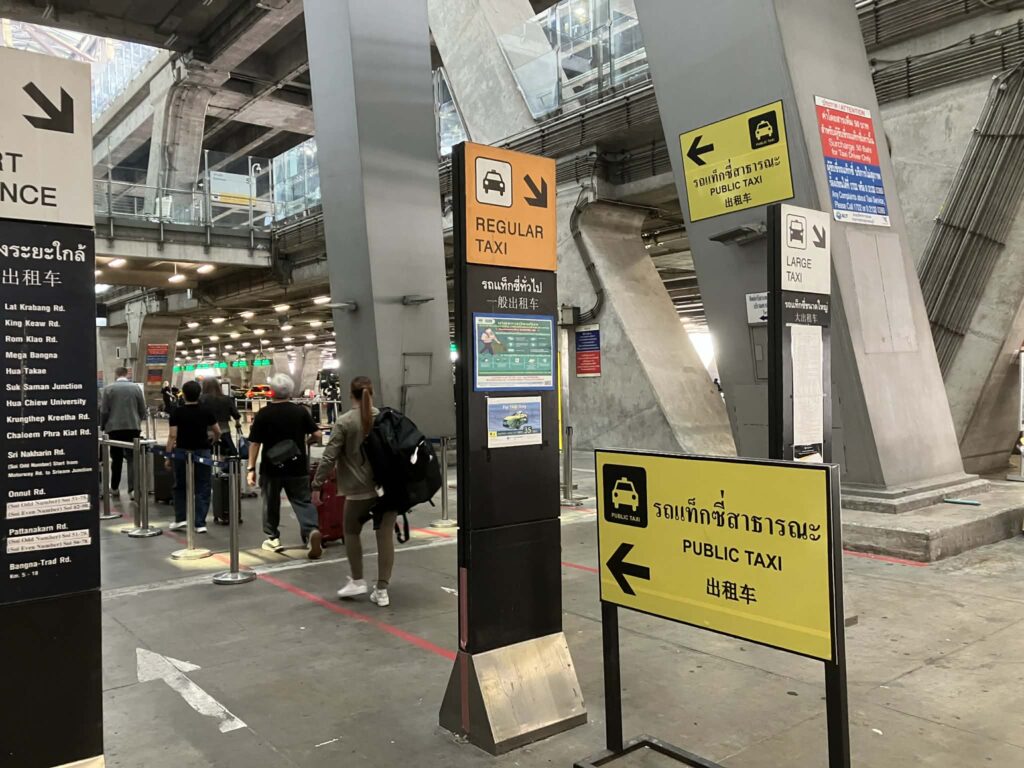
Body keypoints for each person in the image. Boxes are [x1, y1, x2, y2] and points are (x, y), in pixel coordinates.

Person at [312, 376, 395, 608]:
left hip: (358, 491)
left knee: (350, 531)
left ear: (350, 394)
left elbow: (329, 457)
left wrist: (317, 485)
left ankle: (358, 580)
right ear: (372, 393)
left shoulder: (345, 422)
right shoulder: (386, 418)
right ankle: (382, 590)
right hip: (388, 490)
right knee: (384, 536)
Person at [246, 373, 323, 559]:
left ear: (271, 392)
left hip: (272, 468)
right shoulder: (300, 412)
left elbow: (255, 444)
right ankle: (311, 531)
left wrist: (251, 469)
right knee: (302, 500)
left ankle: (273, 538)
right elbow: (318, 435)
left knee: (270, 502)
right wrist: (308, 442)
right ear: (290, 392)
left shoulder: (264, 414)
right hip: (297, 466)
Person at [165, 381, 219, 533]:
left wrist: (168, 456)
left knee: (180, 485)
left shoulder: (177, 412)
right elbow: (217, 431)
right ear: (199, 394)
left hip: (182, 451)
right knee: (203, 486)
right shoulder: (206, 411)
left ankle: (180, 518)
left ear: (183, 394)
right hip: (202, 451)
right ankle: (200, 523)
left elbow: (172, 436)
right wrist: (212, 440)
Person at [100, 367, 148, 499]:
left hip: (114, 428)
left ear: (116, 374)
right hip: (133, 428)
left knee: (116, 458)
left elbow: (104, 411)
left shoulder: (108, 389)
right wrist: (137, 420)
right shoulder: (136, 388)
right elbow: (142, 409)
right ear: (127, 374)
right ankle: (133, 490)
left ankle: (115, 488)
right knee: (132, 458)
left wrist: (103, 425)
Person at [200, 377, 242, 456]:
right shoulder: (226, 399)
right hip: (224, 430)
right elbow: (236, 415)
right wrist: (237, 423)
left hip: (205, 432)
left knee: (204, 454)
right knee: (229, 454)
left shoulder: (201, 399)